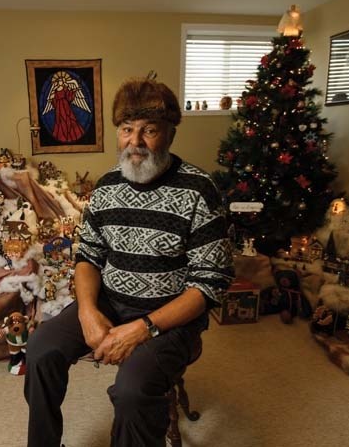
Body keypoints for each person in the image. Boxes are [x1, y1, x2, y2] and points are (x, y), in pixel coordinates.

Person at [24, 77, 234, 446]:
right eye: (126, 130)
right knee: (41, 348)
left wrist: (143, 329)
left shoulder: (200, 190)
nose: (135, 143)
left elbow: (209, 283)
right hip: (110, 301)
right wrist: (87, 311)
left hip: (171, 319)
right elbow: (89, 257)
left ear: (170, 134)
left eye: (149, 130)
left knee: (133, 390)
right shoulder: (106, 187)